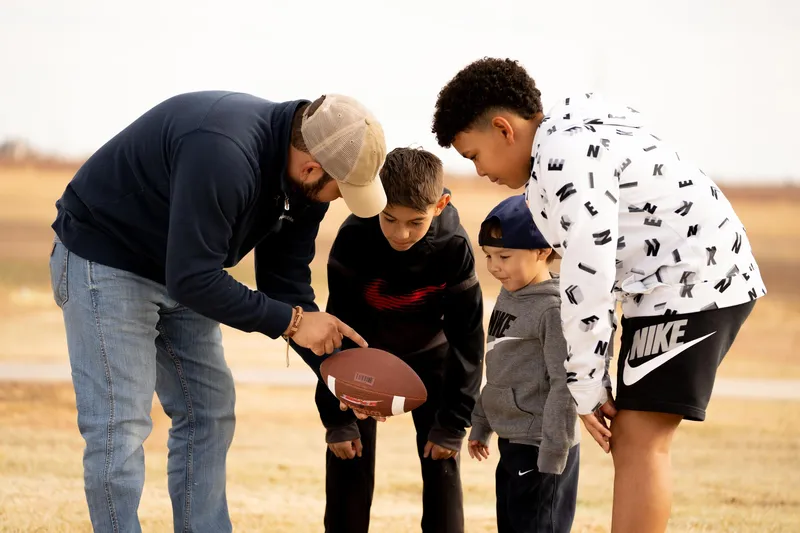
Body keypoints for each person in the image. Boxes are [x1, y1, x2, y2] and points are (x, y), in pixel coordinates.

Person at [431, 57, 766, 533]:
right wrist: (588, 379)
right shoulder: (564, 147)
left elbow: (588, 276)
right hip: (667, 284)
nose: (478, 170)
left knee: (639, 441)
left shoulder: (567, 159)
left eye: (473, 155)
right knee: (635, 439)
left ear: (504, 128)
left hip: (696, 280)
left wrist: (585, 386)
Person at [48, 91, 387, 533]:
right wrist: (294, 323)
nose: (338, 200)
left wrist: (337, 372)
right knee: (121, 425)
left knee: (209, 410)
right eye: (340, 191)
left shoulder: (304, 186)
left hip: (182, 267)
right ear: (311, 168)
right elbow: (195, 279)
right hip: (108, 258)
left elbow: (284, 284)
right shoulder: (224, 153)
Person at [313, 147, 485, 533]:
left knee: (442, 464)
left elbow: (468, 335)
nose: (400, 233)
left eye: (415, 222)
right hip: (366, 357)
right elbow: (335, 330)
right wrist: (336, 419)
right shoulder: (355, 238)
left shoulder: (454, 246)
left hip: (432, 360)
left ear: (439, 205)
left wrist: (454, 423)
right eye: (389, 218)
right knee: (347, 457)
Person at [468, 194, 582, 533]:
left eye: (504, 256)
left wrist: (553, 453)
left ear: (542, 251)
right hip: (513, 441)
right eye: (488, 256)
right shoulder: (511, 295)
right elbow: (501, 366)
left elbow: (565, 384)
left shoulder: (553, 310)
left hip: (542, 448)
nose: (493, 266)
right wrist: (482, 423)